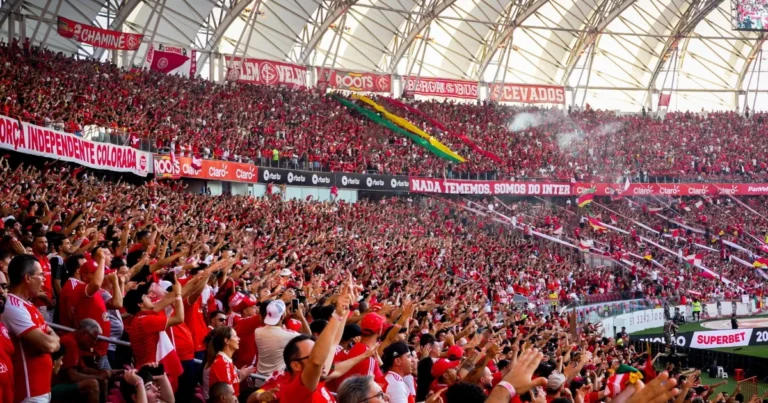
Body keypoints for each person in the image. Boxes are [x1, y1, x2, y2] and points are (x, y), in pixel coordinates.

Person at [1, 254, 60, 402]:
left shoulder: (28, 305)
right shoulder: (13, 307)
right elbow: (48, 345)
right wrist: (51, 339)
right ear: (27, 278)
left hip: (41, 389)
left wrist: (51, 338)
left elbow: (50, 335)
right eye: (40, 275)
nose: (44, 279)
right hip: (29, 391)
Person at [276, 290, 350, 402]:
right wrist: (337, 315)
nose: (322, 360)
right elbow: (316, 362)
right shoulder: (298, 390)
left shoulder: (319, 378)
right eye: (312, 355)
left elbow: (333, 343)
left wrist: (344, 310)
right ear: (296, 365)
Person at [54, 318, 107, 403]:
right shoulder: (70, 342)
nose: (94, 343)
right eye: (92, 338)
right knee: (92, 384)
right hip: (56, 386)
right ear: (84, 333)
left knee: (103, 379)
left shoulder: (75, 342)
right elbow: (73, 377)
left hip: (64, 383)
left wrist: (103, 372)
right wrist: (99, 376)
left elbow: (84, 369)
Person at [202, 326, 254, 400]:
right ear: (227, 341)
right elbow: (227, 396)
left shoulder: (226, 361)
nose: (239, 339)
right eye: (235, 336)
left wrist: (241, 376)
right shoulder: (221, 363)